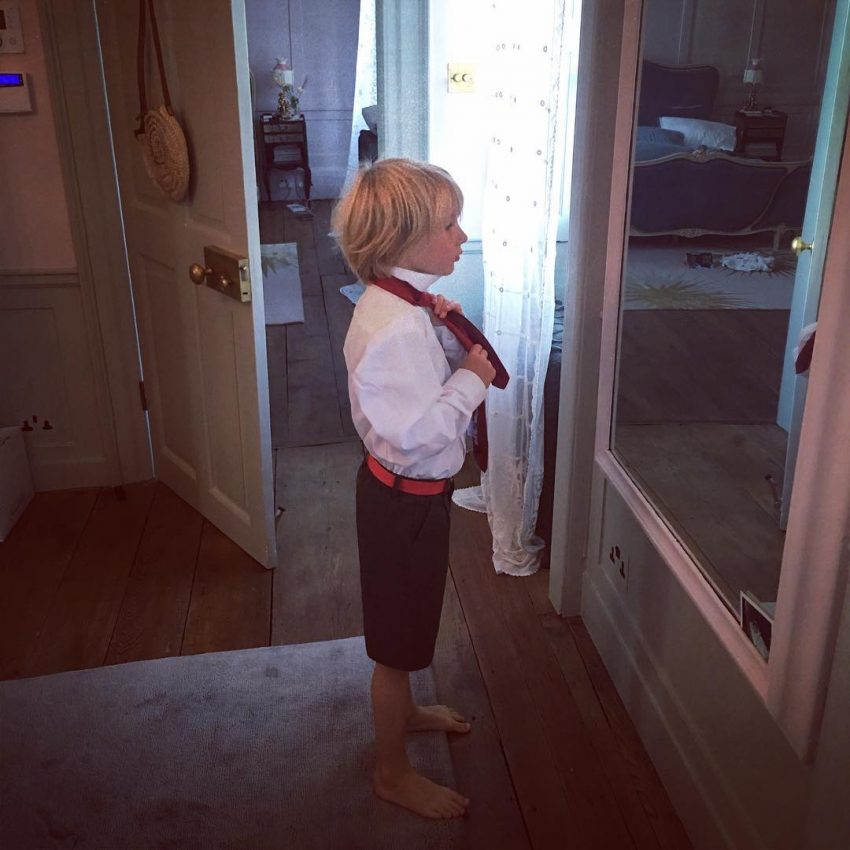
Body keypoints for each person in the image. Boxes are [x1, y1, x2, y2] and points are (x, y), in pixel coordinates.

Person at [332, 158, 497, 819]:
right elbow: (421, 432)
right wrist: (472, 380)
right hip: (403, 505)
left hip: (406, 498)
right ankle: (391, 772)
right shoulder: (397, 326)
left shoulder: (397, 303)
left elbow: (412, 392)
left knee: (410, 622)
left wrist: (442, 334)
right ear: (402, 240)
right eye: (449, 225)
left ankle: (408, 713)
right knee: (395, 647)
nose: (462, 237)